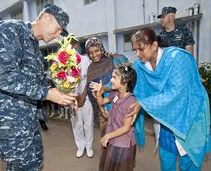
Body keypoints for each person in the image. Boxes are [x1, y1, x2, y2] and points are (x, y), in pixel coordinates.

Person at [0, 4, 76, 171]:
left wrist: (60, 93)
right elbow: (2, 76)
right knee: (23, 166)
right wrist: (46, 93)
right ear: (45, 17)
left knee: (36, 162)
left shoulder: (35, 47)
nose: (58, 35)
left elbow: (37, 81)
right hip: (9, 117)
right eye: (58, 29)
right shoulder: (10, 30)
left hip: (27, 117)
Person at [131, 28, 210, 171]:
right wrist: (106, 88)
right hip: (166, 122)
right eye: (134, 50)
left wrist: (143, 103)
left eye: (140, 49)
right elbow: (128, 79)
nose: (137, 54)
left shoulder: (178, 58)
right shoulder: (140, 66)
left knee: (189, 162)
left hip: (189, 117)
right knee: (167, 160)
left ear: (154, 46)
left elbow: (177, 93)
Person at [77, 37, 128, 135]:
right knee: (106, 135)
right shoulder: (91, 68)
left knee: (121, 134)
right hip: (102, 109)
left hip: (118, 105)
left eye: (96, 51)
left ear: (101, 49)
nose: (94, 55)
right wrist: (78, 100)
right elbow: (88, 87)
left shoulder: (112, 60)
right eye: (90, 52)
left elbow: (126, 75)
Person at [92, 64, 137, 171]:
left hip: (122, 144)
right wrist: (99, 94)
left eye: (114, 77)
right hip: (113, 138)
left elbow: (126, 128)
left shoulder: (131, 101)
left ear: (125, 81)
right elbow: (102, 102)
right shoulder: (115, 93)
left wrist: (107, 136)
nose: (111, 80)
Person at [70, 38, 94, 158]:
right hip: (72, 97)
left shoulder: (85, 59)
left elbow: (90, 77)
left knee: (88, 123)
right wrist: (73, 97)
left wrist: (83, 95)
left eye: (73, 45)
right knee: (76, 124)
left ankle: (89, 146)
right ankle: (81, 146)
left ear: (77, 45)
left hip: (86, 96)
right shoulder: (64, 62)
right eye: (69, 46)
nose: (72, 48)